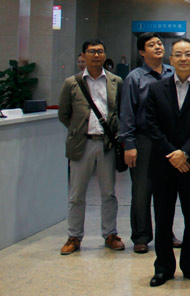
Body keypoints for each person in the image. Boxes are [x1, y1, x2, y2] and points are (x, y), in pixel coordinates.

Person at [145, 39, 190, 286]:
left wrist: (185, 153)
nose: (183, 58)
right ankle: (163, 267)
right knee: (163, 216)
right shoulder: (156, 89)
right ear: (171, 60)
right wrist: (173, 154)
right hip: (164, 163)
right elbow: (152, 125)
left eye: (188, 54)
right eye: (178, 54)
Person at [57, 39, 124, 255]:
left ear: (105, 55)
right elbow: (64, 114)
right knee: (77, 194)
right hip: (81, 144)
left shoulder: (116, 81)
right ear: (83, 55)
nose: (96, 55)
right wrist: (78, 130)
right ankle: (74, 237)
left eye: (100, 51)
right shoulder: (72, 83)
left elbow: (120, 111)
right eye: (91, 51)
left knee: (109, 193)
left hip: (106, 145)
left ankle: (110, 234)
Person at [119, 32, 175, 254]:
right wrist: (129, 144)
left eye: (160, 43)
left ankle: (166, 234)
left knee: (167, 190)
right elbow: (127, 113)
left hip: (168, 139)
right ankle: (141, 236)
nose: (158, 47)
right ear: (142, 52)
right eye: (152, 45)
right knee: (142, 190)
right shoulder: (135, 78)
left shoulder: (172, 73)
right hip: (143, 140)